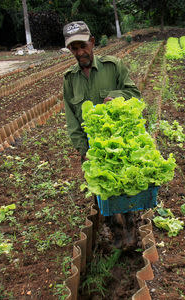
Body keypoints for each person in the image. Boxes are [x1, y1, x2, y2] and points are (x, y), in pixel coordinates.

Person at [62, 21, 141, 250]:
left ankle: (131, 230)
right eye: (74, 48)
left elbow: (135, 94)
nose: (80, 52)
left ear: (92, 42)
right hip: (92, 151)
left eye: (83, 46)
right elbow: (72, 120)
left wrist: (116, 96)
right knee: (102, 195)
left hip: (119, 145)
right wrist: (83, 150)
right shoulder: (69, 79)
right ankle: (115, 234)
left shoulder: (113, 67)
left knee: (124, 189)